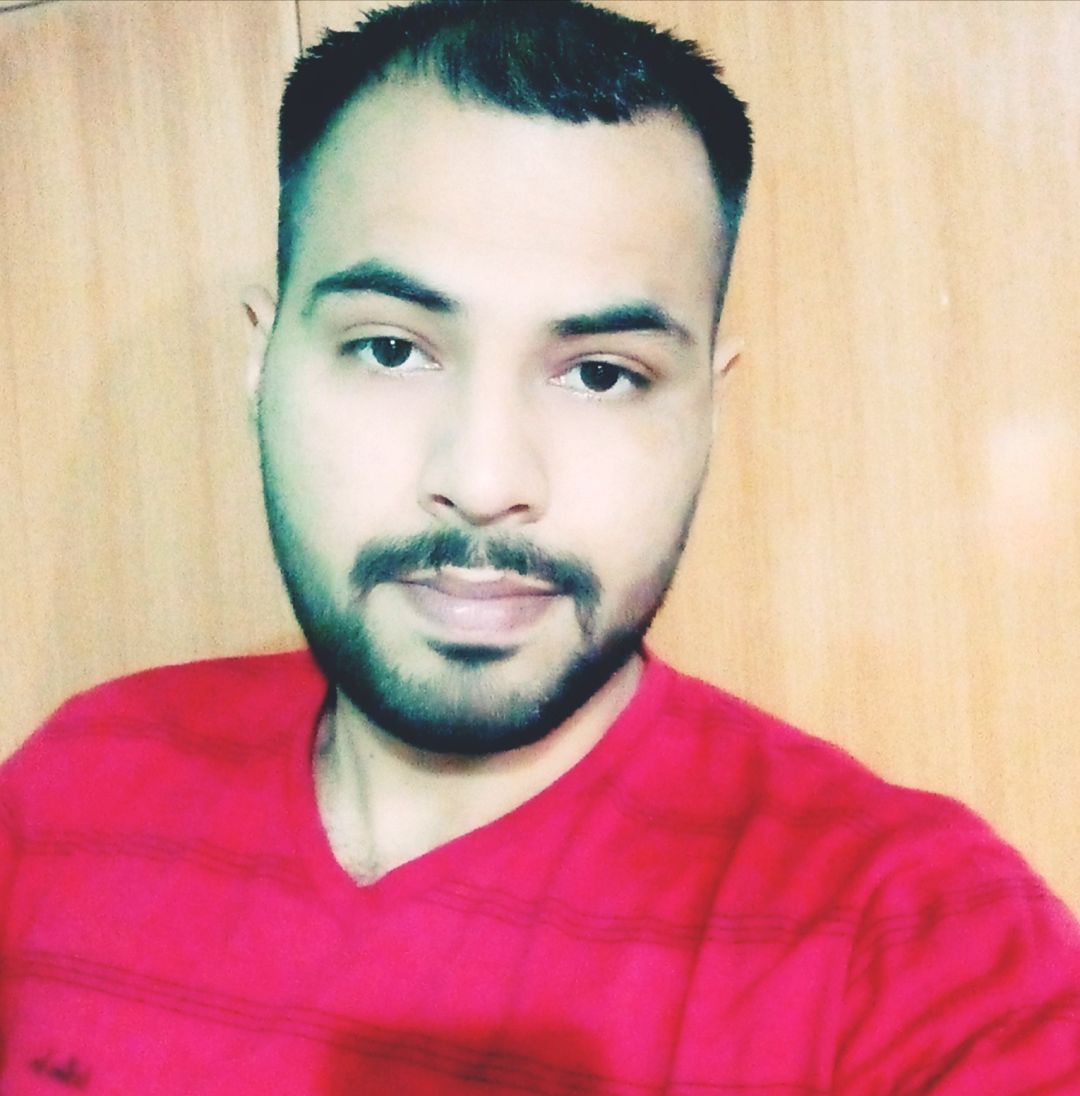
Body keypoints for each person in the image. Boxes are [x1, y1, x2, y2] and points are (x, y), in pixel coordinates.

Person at [2, 0, 1078, 1091]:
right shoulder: (74, 785)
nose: (484, 483)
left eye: (602, 374)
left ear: (709, 409)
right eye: (390, 349)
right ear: (261, 362)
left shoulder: (919, 948)